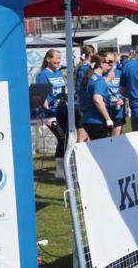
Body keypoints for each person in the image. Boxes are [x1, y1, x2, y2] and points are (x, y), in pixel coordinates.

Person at [35, 49, 69, 178]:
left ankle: (64, 167)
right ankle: (59, 169)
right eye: (56, 58)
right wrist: (48, 115)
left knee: (67, 138)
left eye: (60, 59)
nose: (58, 61)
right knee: (62, 137)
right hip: (51, 113)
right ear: (48, 59)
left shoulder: (59, 73)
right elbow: (42, 96)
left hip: (63, 110)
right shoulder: (42, 75)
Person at [81, 54, 116, 140]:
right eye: (108, 63)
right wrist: (108, 118)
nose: (109, 66)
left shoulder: (88, 78)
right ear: (101, 64)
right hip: (97, 120)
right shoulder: (99, 80)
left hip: (87, 119)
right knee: (103, 151)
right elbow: (97, 99)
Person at [73, 45, 97, 143]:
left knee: (87, 137)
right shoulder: (84, 69)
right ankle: (77, 157)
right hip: (81, 105)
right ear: (91, 54)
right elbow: (82, 88)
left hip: (82, 104)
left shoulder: (84, 67)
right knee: (82, 137)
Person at [106, 53, 126, 137]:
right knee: (104, 139)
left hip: (118, 110)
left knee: (116, 138)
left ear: (115, 61)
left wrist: (123, 99)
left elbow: (127, 89)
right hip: (105, 110)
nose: (108, 64)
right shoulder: (101, 74)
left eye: (110, 61)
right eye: (105, 62)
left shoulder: (121, 73)